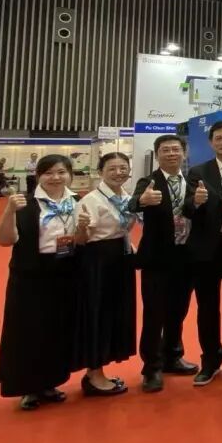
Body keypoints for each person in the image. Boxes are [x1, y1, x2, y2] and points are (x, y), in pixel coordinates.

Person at [0, 154, 80, 411]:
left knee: (58, 330)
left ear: (70, 175)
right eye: (49, 173)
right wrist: (10, 210)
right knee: (28, 332)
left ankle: (50, 382)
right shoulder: (26, 204)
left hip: (65, 272)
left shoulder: (76, 202)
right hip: (30, 275)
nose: (56, 178)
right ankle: (28, 387)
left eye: (61, 172)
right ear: (38, 176)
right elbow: (5, 240)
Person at [131, 134, 198, 393]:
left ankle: (173, 356)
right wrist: (142, 201)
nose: (171, 154)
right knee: (154, 314)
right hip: (157, 259)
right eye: (165, 150)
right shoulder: (148, 181)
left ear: (184, 153)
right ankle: (151, 368)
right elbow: (132, 203)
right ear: (157, 154)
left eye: (176, 149)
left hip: (186, 256)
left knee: (178, 311)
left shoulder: (192, 181)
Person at [182, 120, 222, 386]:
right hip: (206, 249)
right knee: (207, 307)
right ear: (211, 142)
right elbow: (187, 209)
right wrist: (195, 202)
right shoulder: (198, 171)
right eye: (218, 138)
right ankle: (210, 360)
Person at [73, 152, 136, 398]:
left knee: (114, 314)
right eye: (112, 168)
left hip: (120, 259)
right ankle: (94, 373)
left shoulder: (127, 198)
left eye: (123, 168)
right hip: (97, 262)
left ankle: (100, 369)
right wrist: (81, 228)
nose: (118, 173)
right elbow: (82, 240)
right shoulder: (91, 200)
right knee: (97, 315)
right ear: (100, 172)